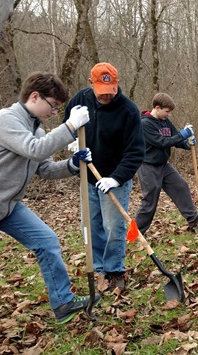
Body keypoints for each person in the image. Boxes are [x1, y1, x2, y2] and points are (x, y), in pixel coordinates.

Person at [0, 72, 99, 324]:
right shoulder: (6, 119)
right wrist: (69, 127)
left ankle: (63, 303)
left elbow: (44, 169)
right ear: (35, 96)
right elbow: (34, 150)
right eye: (53, 106)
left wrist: (72, 164)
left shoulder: (37, 130)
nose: (53, 112)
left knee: (46, 241)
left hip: (8, 207)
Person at [63, 63, 145, 293]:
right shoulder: (81, 99)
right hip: (87, 175)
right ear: (91, 84)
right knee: (90, 224)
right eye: (101, 92)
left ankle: (114, 270)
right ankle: (98, 268)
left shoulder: (128, 110)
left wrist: (117, 178)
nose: (107, 96)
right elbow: (67, 122)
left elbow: (136, 151)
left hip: (113, 179)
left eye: (111, 91)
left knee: (113, 226)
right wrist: (69, 138)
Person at [134, 93, 198, 234]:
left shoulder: (165, 122)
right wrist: (183, 134)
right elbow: (162, 142)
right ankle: (135, 234)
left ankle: (194, 221)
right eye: (167, 111)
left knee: (181, 186)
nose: (169, 115)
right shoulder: (145, 124)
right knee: (150, 200)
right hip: (147, 166)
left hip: (163, 165)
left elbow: (174, 138)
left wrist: (186, 144)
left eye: (170, 112)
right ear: (157, 108)